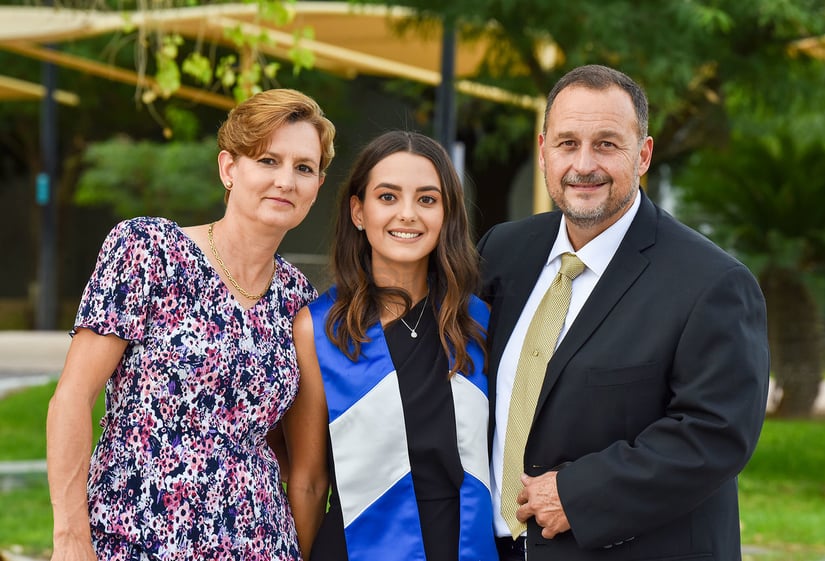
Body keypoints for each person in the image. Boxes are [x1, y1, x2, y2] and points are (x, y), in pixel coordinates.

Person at [478, 64, 770, 560]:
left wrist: (577, 494)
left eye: (607, 144)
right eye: (568, 143)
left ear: (644, 154)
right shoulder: (501, 251)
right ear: (544, 149)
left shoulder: (713, 283)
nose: (584, 164)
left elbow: (715, 434)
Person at [46, 88, 335, 561]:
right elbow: (72, 399)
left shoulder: (298, 299)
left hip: (260, 545)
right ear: (229, 169)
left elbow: (300, 466)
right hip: (134, 537)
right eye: (268, 160)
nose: (286, 180)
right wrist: (71, 538)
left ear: (317, 185)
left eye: (304, 167)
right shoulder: (148, 250)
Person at [283, 130, 499, 561]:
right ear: (358, 211)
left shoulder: (480, 323)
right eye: (387, 197)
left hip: (465, 547)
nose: (408, 215)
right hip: (359, 546)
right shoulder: (319, 329)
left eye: (427, 199)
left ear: (446, 214)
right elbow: (308, 481)